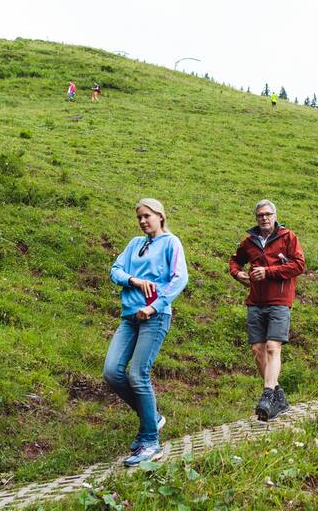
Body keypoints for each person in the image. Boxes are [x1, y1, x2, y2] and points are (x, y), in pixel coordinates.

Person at [104, 198, 189, 466]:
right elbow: (115, 270)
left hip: (154, 317)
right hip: (129, 317)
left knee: (138, 374)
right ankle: (153, 418)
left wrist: (153, 307)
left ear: (160, 216)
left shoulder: (171, 243)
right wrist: (133, 280)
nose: (142, 221)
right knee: (112, 372)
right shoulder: (134, 244)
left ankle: (151, 441)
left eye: (147, 216)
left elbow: (179, 278)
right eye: (139, 217)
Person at [229, 200, 306, 421]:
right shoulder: (249, 242)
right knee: (257, 349)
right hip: (255, 301)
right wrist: (238, 274)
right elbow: (235, 261)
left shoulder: (288, 237)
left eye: (268, 214)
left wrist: (269, 272)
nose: (264, 218)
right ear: (256, 218)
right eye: (260, 215)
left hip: (280, 300)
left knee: (273, 347)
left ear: (275, 216)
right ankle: (278, 398)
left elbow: (299, 265)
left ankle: (267, 394)